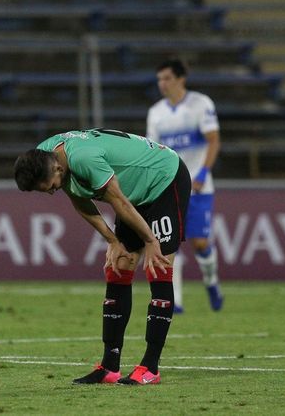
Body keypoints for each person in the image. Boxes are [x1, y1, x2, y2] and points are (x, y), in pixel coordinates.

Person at [14, 128, 191, 385]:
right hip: (133, 195)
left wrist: (151, 241)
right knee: (118, 267)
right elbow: (79, 199)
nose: (52, 192)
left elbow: (117, 201)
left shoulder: (83, 159)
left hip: (163, 179)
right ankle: (110, 365)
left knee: (158, 266)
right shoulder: (46, 154)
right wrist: (112, 240)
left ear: (57, 170)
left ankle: (150, 366)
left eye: (50, 187)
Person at [147, 59, 224, 313]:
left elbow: (213, 141)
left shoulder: (200, 104)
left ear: (181, 79)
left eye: (167, 78)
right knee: (170, 243)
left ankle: (211, 282)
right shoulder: (156, 113)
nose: (162, 84)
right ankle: (175, 301)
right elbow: (153, 152)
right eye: (159, 79)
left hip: (199, 185)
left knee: (200, 242)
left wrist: (203, 172)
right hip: (170, 186)